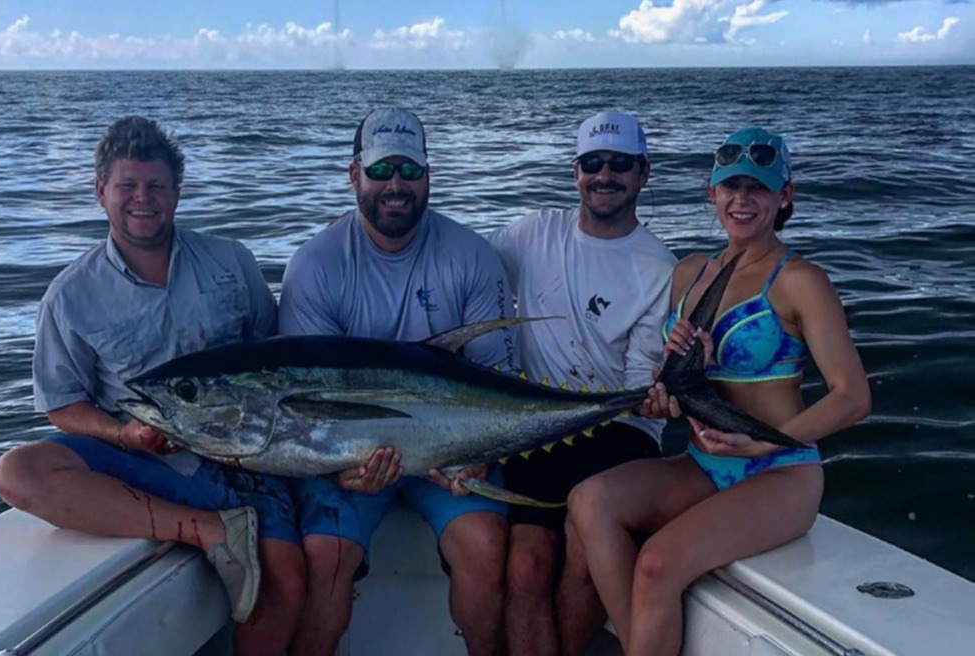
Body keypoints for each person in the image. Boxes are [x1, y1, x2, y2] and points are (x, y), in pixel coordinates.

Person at [0, 116, 305, 656]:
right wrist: (123, 434)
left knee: (288, 582)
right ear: (101, 193)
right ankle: (208, 530)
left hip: (244, 460)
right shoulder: (69, 295)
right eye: (128, 187)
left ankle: (229, 530)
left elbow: (276, 361)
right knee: (17, 471)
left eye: (156, 186)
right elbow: (63, 404)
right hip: (142, 459)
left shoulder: (232, 261)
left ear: (177, 193)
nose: (143, 199)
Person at [565, 127, 871, 656]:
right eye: (731, 187)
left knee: (657, 563)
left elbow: (852, 396)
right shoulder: (687, 274)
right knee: (589, 502)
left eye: (758, 188)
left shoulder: (800, 279)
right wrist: (680, 374)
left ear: (785, 196)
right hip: (703, 464)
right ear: (712, 193)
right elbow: (673, 389)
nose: (742, 200)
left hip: (781, 472)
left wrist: (767, 441)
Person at [279, 107, 516, 656]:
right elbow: (307, 414)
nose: (396, 186)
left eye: (410, 170)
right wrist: (346, 472)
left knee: (485, 545)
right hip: (344, 463)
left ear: (429, 174)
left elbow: (496, 386)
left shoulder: (473, 257)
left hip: (451, 453)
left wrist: (479, 455)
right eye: (382, 170)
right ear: (354, 174)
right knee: (325, 556)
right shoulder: (316, 266)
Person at [486, 110, 676, 656]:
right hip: (532, 418)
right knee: (525, 565)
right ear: (576, 172)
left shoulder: (658, 267)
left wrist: (664, 398)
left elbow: (641, 379)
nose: (605, 174)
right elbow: (462, 267)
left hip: (622, 426)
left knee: (586, 556)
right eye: (593, 163)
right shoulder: (529, 234)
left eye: (620, 163)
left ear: (644, 172)